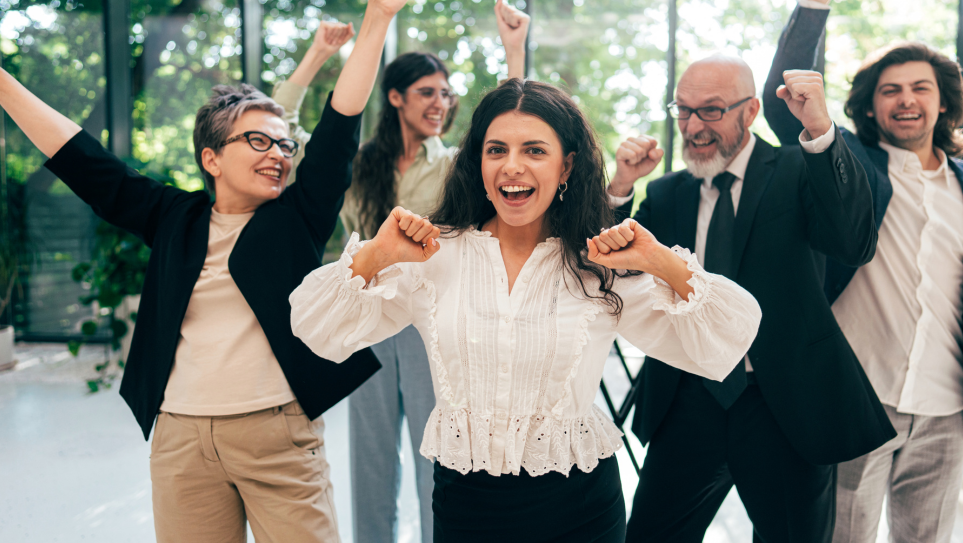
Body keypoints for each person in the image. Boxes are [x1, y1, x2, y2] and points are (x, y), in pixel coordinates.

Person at [0, 0, 409, 539]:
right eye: (258, 140)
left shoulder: (297, 218)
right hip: (181, 439)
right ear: (211, 158)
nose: (278, 154)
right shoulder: (174, 217)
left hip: (278, 435)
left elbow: (339, 128)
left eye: (284, 144)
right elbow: (84, 162)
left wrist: (378, 19)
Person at [289, 77, 763, 542]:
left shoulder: (599, 264)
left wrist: (660, 261)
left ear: (566, 166)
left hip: (583, 513)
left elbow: (729, 338)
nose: (512, 166)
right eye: (496, 150)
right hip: (465, 511)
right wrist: (375, 255)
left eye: (534, 150)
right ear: (477, 162)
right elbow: (314, 328)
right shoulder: (434, 255)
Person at [606, 53, 894, 542]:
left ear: (751, 110)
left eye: (711, 110)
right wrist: (621, 186)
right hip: (685, 399)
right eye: (683, 110)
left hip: (785, 404)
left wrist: (820, 130)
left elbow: (853, 243)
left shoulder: (799, 167)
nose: (693, 125)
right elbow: (611, 271)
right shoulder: (668, 192)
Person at [274, 3, 528, 541]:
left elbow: (512, 130)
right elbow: (285, 137)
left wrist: (514, 52)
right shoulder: (358, 162)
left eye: (446, 94)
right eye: (427, 92)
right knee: (370, 459)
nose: (441, 103)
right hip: (366, 314)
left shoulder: (455, 164)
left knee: (437, 454)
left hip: (429, 321)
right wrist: (316, 56)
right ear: (395, 97)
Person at [764, 2, 963, 541]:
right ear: (871, 108)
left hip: (947, 406)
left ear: (943, 101)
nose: (906, 99)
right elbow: (785, 112)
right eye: (890, 90)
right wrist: (813, 10)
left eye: (920, 88)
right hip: (856, 400)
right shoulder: (853, 164)